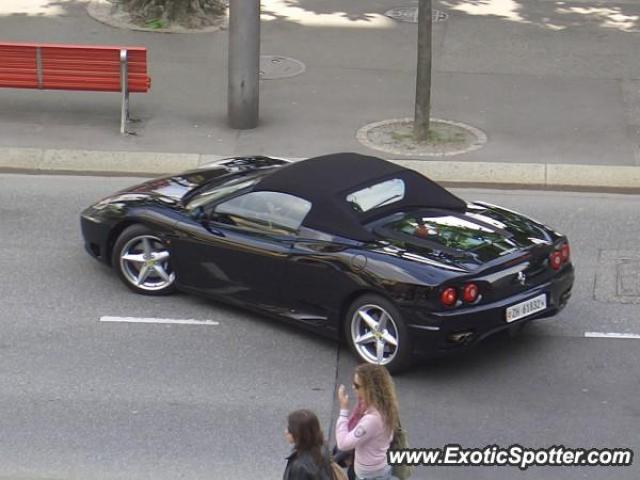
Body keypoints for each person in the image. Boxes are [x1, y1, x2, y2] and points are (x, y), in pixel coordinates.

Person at [335, 364, 399, 480]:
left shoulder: (371, 420)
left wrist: (343, 410)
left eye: (357, 385)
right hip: (381, 465)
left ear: (370, 388)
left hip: (370, 474)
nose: (353, 388)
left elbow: (343, 444)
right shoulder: (387, 406)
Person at [283, 409, 333, 480]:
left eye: (289, 429)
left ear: (299, 434)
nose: (285, 432)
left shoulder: (299, 467)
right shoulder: (322, 448)